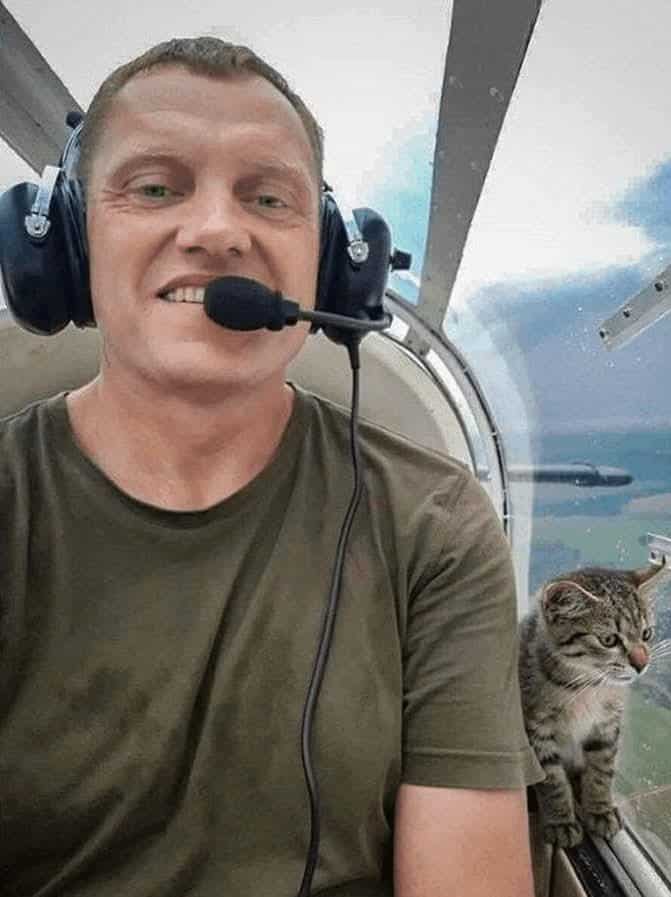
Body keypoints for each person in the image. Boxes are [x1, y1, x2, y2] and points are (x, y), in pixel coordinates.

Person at [0, 36, 543, 896]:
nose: (218, 230)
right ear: (64, 244)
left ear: (333, 259)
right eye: (155, 187)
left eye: (267, 196)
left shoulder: (434, 522)